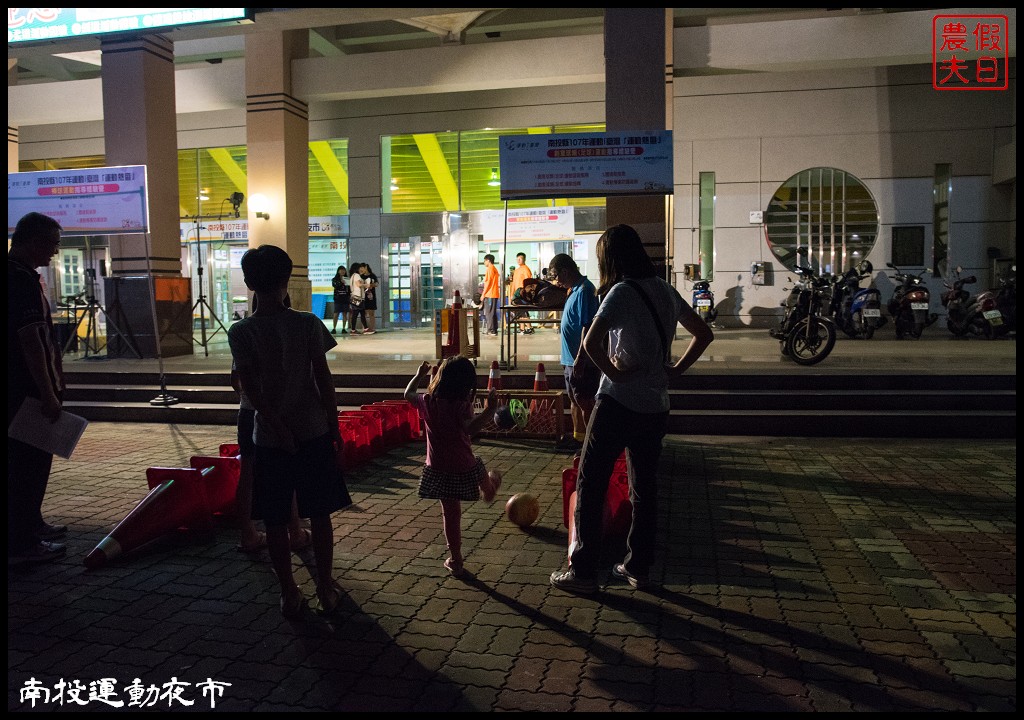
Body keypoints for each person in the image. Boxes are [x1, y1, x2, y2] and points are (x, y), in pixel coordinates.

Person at [550, 224, 714, 595]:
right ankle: (638, 566)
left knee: (590, 482)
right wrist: (676, 370)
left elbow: (591, 342)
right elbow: (703, 333)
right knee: (645, 487)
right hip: (656, 406)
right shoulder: (665, 290)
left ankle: (584, 572)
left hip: (617, 404)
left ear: (611, 259)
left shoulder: (621, 292)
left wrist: (614, 373)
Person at [227, 245, 352, 617]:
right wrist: (334, 426)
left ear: (249, 282)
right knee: (320, 513)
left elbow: (247, 386)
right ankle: (326, 588)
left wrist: (276, 425)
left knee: (276, 520)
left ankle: (289, 592)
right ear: (287, 280)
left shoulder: (241, 331)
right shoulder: (308, 323)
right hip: (312, 429)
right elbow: (323, 380)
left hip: (268, 437)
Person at [403, 357, 501, 578]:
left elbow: (408, 394)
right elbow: (469, 429)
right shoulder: (460, 406)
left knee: (451, 514)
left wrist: (419, 375)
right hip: (463, 465)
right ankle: (489, 488)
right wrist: (489, 410)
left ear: (440, 378)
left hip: (437, 467)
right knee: (478, 466)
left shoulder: (428, 401)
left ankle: (456, 559)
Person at [8, 212, 69, 566]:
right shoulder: (19, 279)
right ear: (32, 242)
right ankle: (21, 541)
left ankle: (31, 523)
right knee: (25, 465)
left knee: (33, 460)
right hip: (25, 390)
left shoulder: (23, 275)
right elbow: (30, 339)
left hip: (26, 386)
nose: (55, 252)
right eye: (52, 244)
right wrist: (47, 391)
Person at [232, 293, 312, 555]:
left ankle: (248, 534)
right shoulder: (288, 332)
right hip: (279, 414)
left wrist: (247, 396)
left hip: (247, 411)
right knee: (285, 474)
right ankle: (295, 532)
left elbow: (236, 380)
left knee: (248, 473)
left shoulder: (244, 333)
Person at [548, 253, 599, 453]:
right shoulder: (574, 290)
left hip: (581, 361)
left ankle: (590, 445)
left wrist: (580, 357)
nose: (556, 280)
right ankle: (579, 439)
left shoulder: (585, 291)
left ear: (565, 271)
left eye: (556, 275)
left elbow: (588, 326)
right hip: (570, 359)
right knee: (576, 400)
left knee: (585, 402)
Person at [510, 252, 534, 334]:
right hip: (517, 294)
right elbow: (513, 283)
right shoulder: (516, 270)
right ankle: (522, 329)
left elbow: (528, 283)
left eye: (520, 259)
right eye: (517, 259)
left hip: (522, 294)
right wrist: (512, 294)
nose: (518, 260)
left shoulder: (526, 269)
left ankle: (529, 328)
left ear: (524, 259)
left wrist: (526, 293)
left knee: (523, 310)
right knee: (519, 311)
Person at [481, 254, 501, 336]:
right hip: (494, 294)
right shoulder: (494, 269)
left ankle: (491, 330)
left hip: (490, 294)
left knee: (489, 313)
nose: (484, 262)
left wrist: (483, 294)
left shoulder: (489, 269)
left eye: (484, 260)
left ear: (488, 260)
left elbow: (488, 283)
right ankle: (494, 329)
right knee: (492, 312)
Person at [330, 265, 351, 334]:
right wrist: (341, 282)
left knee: (344, 314)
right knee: (336, 314)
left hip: (345, 299)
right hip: (338, 299)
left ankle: (344, 328)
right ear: (338, 271)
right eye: (341, 270)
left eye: (344, 270)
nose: (342, 271)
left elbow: (349, 289)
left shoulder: (347, 279)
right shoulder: (335, 279)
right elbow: (335, 285)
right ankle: (334, 328)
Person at [349, 262, 367, 334]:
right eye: (359, 268)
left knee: (359, 313)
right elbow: (358, 284)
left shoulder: (353, 276)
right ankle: (354, 330)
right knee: (357, 314)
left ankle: (365, 328)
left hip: (354, 297)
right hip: (358, 298)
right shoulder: (357, 275)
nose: (361, 269)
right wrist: (366, 285)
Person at [362, 264, 379, 335]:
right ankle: (364, 328)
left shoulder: (372, 276)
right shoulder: (361, 276)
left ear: (366, 268)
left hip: (371, 296)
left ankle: (372, 328)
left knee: (371, 313)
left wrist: (371, 285)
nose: (362, 270)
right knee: (363, 313)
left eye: (363, 268)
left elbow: (377, 284)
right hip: (363, 297)